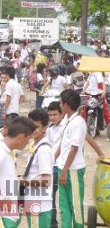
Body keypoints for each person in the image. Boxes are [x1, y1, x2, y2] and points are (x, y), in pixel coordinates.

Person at [0, 116, 36, 228]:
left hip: (2, 216)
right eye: (28, 140)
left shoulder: (5, 151)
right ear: (22, 137)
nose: (28, 144)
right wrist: (0, 203)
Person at [56, 89, 87, 228]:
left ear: (66, 104)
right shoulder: (67, 120)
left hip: (72, 169)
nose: (60, 105)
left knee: (75, 205)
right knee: (64, 205)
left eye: (61, 102)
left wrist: (64, 171)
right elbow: (63, 145)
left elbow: (74, 149)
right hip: (63, 167)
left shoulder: (78, 122)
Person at [24, 108, 54, 228]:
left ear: (45, 127)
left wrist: (23, 182)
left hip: (39, 203)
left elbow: (46, 181)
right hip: (32, 200)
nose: (32, 129)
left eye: (36, 126)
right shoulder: (34, 144)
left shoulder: (43, 150)